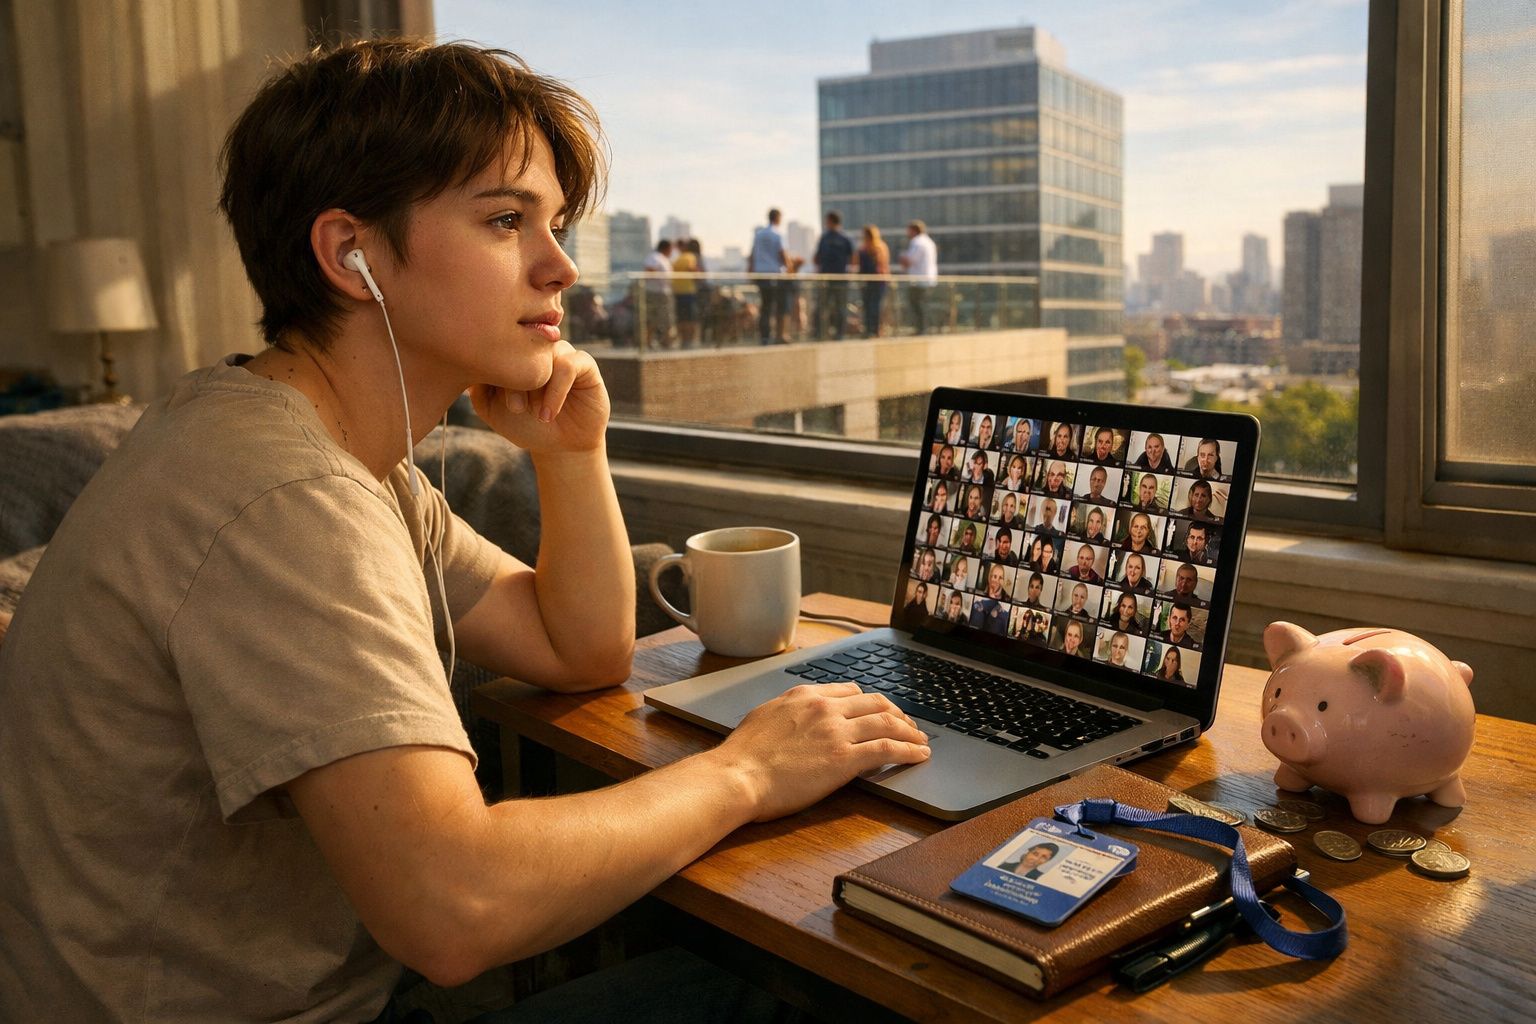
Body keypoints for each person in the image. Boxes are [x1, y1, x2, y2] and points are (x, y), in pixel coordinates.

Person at [0, 39, 934, 1023]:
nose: (560, 266)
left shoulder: (323, 450)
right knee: (809, 996)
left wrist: (570, 454)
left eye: (555, 224)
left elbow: (577, 647)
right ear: (350, 254)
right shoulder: (284, 496)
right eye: (505, 220)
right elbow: (455, 908)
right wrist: (747, 771)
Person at [749, 207, 789, 344]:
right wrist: (789, 268)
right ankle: (779, 335)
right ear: (778, 218)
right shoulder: (778, 235)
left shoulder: (759, 235)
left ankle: (764, 337)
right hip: (774, 275)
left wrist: (751, 272)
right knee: (779, 306)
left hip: (761, 274)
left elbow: (752, 255)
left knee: (765, 307)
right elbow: (783, 254)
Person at [812, 210, 854, 340]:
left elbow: (853, 257)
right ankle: (825, 333)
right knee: (826, 306)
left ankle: (831, 334)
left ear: (830, 221)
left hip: (836, 278)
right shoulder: (839, 238)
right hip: (831, 278)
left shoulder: (836, 238)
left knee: (835, 307)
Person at [899, 219, 938, 334]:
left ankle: (921, 329)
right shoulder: (929, 242)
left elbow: (910, 260)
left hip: (918, 280)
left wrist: (902, 258)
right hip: (928, 278)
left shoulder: (917, 242)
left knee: (917, 305)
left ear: (914, 230)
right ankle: (924, 328)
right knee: (922, 304)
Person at [642, 238, 676, 348]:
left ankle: (666, 341)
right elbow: (649, 270)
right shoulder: (654, 257)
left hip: (663, 292)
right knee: (653, 318)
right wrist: (659, 279)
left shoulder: (664, 259)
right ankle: (649, 342)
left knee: (665, 318)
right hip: (655, 293)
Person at [857, 224, 890, 338]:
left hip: (877, 282)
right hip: (866, 282)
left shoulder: (879, 248)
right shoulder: (862, 249)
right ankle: (868, 329)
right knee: (867, 307)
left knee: (875, 307)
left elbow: (882, 266)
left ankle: (875, 330)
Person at [671, 237, 701, 347]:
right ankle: (685, 340)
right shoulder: (681, 257)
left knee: (687, 317)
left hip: (686, 292)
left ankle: (688, 340)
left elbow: (692, 269)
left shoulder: (688, 257)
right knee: (684, 317)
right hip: (681, 292)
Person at [968, 565, 1010, 634]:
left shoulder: (1007, 601)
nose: (997, 581)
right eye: (995, 576)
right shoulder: (979, 598)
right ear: (990, 578)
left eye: (1000, 578)